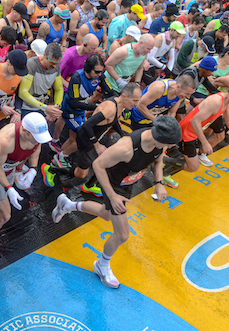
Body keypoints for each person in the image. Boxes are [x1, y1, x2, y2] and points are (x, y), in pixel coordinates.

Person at [51, 116, 182, 289]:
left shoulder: (158, 143)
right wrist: (112, 195)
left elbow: (157, 160)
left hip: (126, 184)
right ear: (161, 139)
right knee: (122, 235)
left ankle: (68, 205)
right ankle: (102, 265)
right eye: (171, 144)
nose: (172, 147)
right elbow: (98, 165)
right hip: (113, 184)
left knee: (106, 214)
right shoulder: (127, 147)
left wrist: (159, 183)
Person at [0, 112, 51, 262]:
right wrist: (9, 187)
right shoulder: (5, 140)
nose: (38, 140)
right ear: (24, 130)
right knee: (4, 215)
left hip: (9, 168)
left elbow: (36, 148)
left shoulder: (35, 134)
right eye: (35, 137)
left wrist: (33, 169)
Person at [164, 82, 229, 185]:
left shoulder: (227, 102)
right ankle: (161, 161)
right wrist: (205, 143)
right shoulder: (216, 102)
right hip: (188, 133)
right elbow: (195, 121)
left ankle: (164, 173)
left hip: (194, 133)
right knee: (193, 167)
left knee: (187, 159)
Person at [53, 55, 105, 168]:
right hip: (70, 110)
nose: (99, 74)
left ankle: (58, 158)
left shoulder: (99, 75)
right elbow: (74, 103)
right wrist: (96, 106)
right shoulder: (77, 78)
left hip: (80, 110)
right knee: (82, 139)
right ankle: (61, 156)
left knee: (73, 138)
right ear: (88, 69)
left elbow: (108, 89)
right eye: (97, 72)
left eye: (101, 71)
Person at [0, 49, 28, 130]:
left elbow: (19, 95)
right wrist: (0, 106)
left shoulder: (19, 76)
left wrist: (17, 111)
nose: (17, 73)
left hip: (2, 116)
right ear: (8, 62)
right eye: (16, 69)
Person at [130, 75, 196, 130]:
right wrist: (157, 121)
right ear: (178, 87)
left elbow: (172, 112)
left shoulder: (180, 94)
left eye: (190, 94)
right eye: (187, 93)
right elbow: (140, 105)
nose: (188, 97)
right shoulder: (159, 89)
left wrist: (168, 125)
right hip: (137, 116)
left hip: (152, 118)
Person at [18, 42, 63, 121]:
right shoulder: (32, 64)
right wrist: (45, 108)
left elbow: (59, 89)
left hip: (42, 106)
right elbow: (23, 92)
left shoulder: (56, 67)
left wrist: (55, 108)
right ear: (44, 55)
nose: (55, 66)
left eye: (57, 63)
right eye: (52, 62)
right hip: (27, 106)